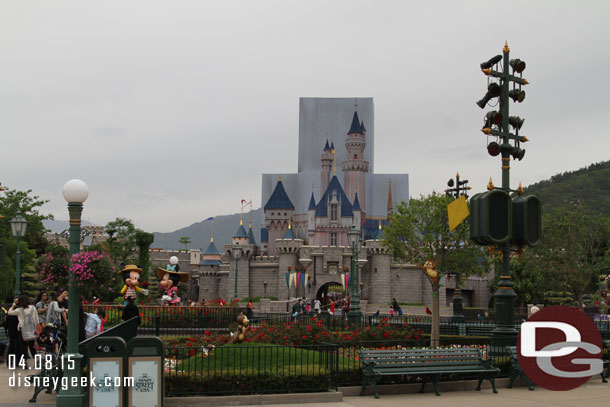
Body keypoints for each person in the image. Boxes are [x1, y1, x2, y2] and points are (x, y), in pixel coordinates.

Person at [8, 295, 39, 362]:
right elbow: (37, 320)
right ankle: (37, 360)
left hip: (22, 330)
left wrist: (14, 304)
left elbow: (9, 312)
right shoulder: (33, 308)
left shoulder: (19, 310)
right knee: (32, 345)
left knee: (23, 346)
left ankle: (25, 362)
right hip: (32, 329)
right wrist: (37, 330)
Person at [4, 297, 25, 367]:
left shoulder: (10, 313)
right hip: (16, 330)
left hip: (11, 330)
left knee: (12, 347)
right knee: (16, 347)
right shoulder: (17, 311)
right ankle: (16, 362)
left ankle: (10, 362)